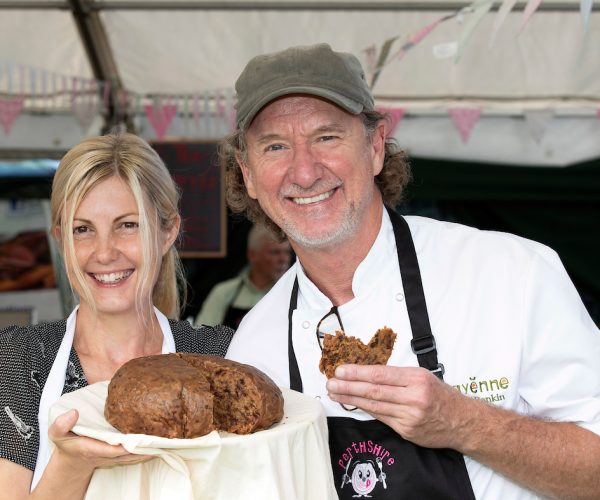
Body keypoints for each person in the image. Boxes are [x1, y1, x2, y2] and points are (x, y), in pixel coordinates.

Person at [223, 43, 600, 499]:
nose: (304, 172)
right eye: (276, 146)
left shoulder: (512, 274)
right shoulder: (253, 347)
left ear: (376, 146)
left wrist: (464, 423)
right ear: (247, 173)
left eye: (327, 137)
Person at [0, 133, 234, 500]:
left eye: (127, 225)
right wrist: (73, 463)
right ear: (61, 240)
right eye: (83, 230)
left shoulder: (218, 357)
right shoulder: (18, 359)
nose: (104, 253)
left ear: (167, 230)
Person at [195, 224, 291, 328]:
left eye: (287, 252)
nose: (283, 259)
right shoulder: (224, 293)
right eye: (275, 252)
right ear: (252, 255)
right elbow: (203, 335)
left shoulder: (292, 293)